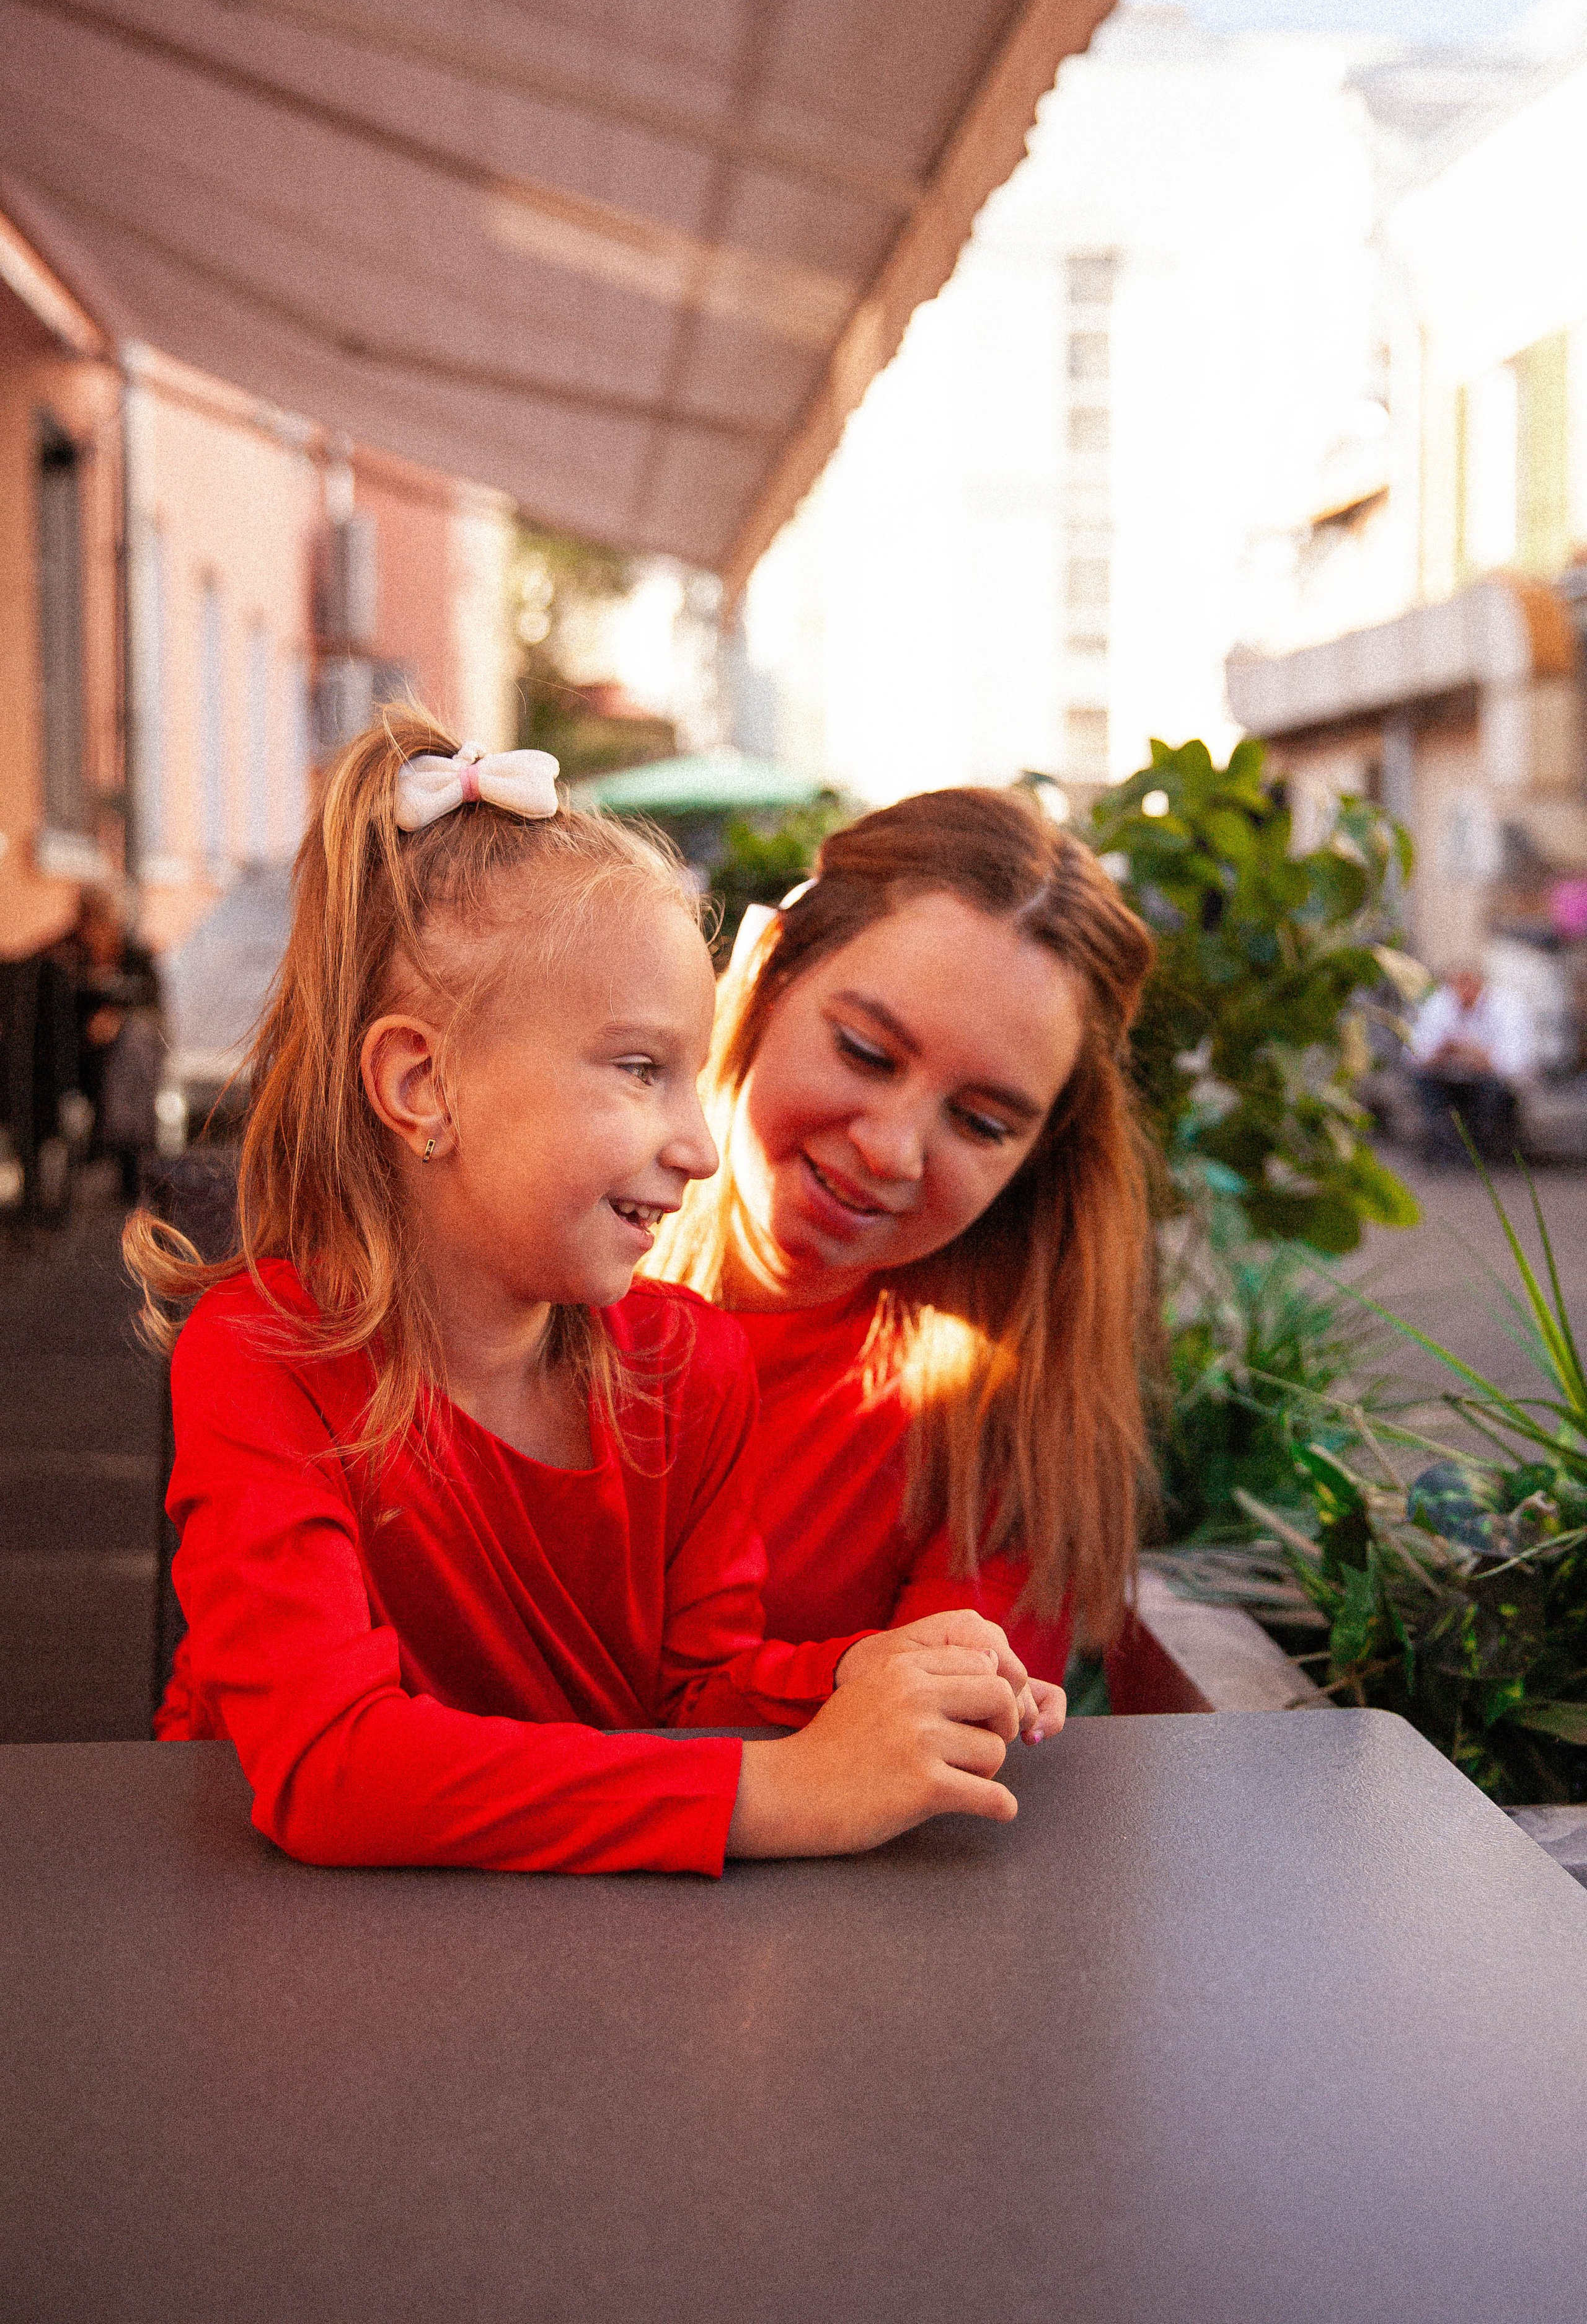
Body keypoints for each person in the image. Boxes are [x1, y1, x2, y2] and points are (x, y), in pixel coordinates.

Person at [124, 712, 1043, 1878]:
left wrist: (873, 1674)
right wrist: (777, 1791)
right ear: (423, 1085)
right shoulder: (259, 1360)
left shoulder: (691, 1366)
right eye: (640, 1071)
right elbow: (329, 1768)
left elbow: (689, 1690)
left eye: (692, 1082)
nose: (702, 1151)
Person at [647, 786, 1158, 1690]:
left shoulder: (1009, 1417)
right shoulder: (526, 1251)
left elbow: (931, 1737)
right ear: (765, 973)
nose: (890, 1151)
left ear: (1038, 1161)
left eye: (983, 1124)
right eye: (865, 1051)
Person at [55, 884, 164, 1202]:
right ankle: (119, 1146)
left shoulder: (137, 959)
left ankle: (118, 1144)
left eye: (106, 922)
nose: (99, 932)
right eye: (92, 922)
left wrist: (119, 1021)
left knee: (133, 1047)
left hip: (129, 1059)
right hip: (79, 1059)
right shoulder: (68, 958)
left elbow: (155, 1011)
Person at [1407, 962, 1537, 1162]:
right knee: (1425, 1084)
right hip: (1446, 1077)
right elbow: (1413, 1053)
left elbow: (1515, 1061)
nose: (1461, 990)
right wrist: (1440, 1053)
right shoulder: (1438, 1003)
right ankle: (1450, 1152)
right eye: (1456, 984)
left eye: (1468, 983)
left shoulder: (1508, 1005)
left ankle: (1481, 1152)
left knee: (1492, 1094)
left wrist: (1474, 1054)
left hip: (1490, 1080)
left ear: (1481, 984)